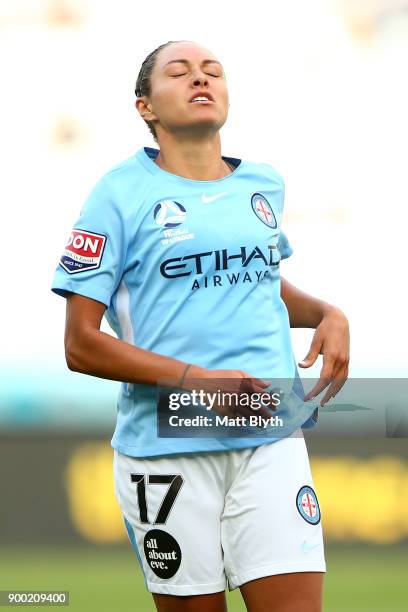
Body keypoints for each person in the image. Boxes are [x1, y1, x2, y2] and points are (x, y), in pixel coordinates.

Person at [51, 39, 350, 612]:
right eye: (180, 72)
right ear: (146, 107)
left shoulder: (262, 184)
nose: (200, 78)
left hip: (270, 429)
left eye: (213, 71)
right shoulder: (116, 195)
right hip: (168, 446)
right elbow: (80, 344)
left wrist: (328, 314)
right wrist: (197, 380)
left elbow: (258, 283)